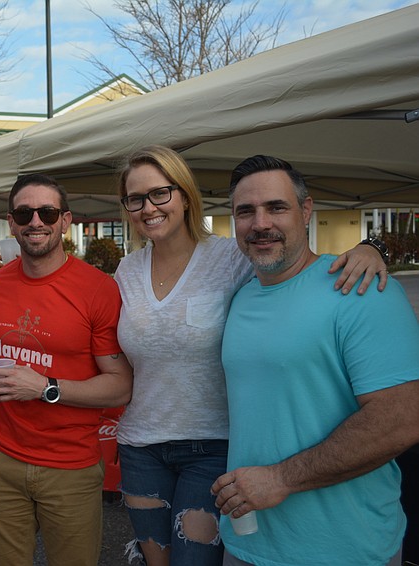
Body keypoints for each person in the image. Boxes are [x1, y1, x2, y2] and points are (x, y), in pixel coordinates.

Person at [113, 145, 390, 566]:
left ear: (185, 195)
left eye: (160, 193)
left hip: (213, 446)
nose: (149, 207)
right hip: (140, 445)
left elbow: (297, 264)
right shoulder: (126, 271)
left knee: (194, 562)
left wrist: (371, 248)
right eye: (136, 199)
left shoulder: (230, 257)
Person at [212, 155, 419, 566]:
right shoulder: (239, 294)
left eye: (276, 207)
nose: (260, 224)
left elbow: (403, 417)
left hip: (344, 548)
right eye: (245, 211)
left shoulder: (361, 290)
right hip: (246, 540)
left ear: (306, 211)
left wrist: (281, 478)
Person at [0, 173, 133, 565]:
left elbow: (119, 387)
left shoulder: (97, 289)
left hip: (70, 466)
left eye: (47, 212)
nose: (36, 222)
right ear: (11, 222)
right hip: (0, 459)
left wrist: (46, 387)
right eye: (25, 213)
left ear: (65, 220)